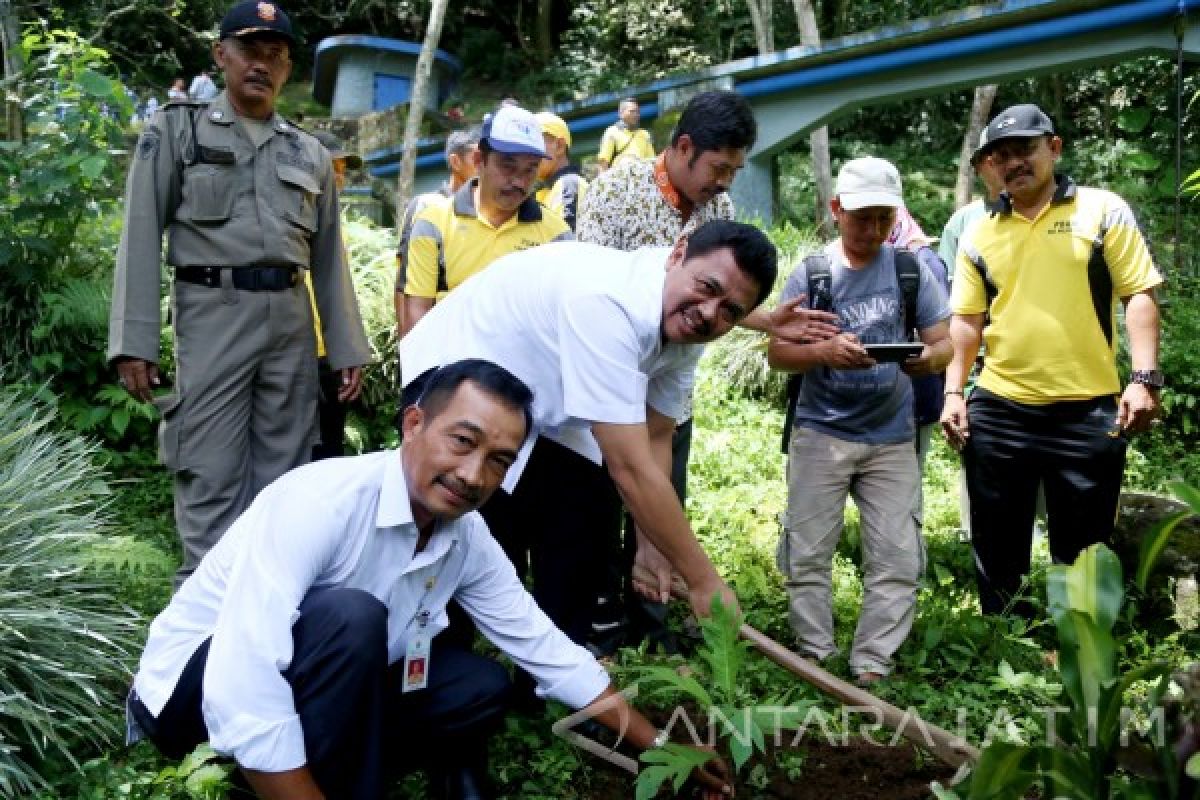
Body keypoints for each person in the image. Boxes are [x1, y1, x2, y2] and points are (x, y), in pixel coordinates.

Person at [127, 359, 733, 800]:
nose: (473, 474)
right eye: (462, 442)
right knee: (351, 617)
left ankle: (336, 767)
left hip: (318, 682)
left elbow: (545, 649)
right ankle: (303, 782)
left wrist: (663, 746)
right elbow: (245, 674)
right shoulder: (321, 503)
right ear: (413, 424)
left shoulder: (464, 537)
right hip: (194, 698)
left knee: (477, 683)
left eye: (498, 460)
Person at [399, 221, 779, 652]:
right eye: (707, 287)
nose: (710, 313)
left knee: (588, 520)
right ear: (678, 254)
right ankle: (447, 668)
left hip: (547, 395)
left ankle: (555, 677)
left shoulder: (686, 324)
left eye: (731, 310)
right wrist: (704, 581)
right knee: (478, 523)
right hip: (463, 372)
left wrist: (652, 545)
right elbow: (631, 468)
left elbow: (656, 436)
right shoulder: (607, 302)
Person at [107, 0, 371, 584]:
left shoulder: (307, 152)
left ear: (286, 69)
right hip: (212, 311)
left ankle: (272, 622)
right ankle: (198, 639)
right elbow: (140, 232)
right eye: (251, 50)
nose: (263, 64)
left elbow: (329, 258)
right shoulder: (178, 130)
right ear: (221, 55)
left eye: (276, 54)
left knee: (285, 479)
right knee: (211, 468)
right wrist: (135, 340)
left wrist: (347, 348)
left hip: (290, 322)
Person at [576, 89, 814, 653]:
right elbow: (589, 285)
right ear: (684, 148)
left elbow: (719, 301)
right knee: (603, 498)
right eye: (719, 167)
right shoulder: (616, 191)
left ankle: (654, 626)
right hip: (607, 377)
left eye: (735, 169)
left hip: (667, 384)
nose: (726, 180)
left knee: (664, 500)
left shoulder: (718, 212)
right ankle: (599, 623)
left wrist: (767, 321)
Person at [941, 104, 1164, 616]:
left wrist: (1144, 378)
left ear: (1054, 148)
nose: (1013, 163)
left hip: (1087, 409)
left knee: (1084, 547)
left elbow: (1140, 295)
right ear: (989, 167)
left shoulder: (1103, 211)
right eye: (1000, 156)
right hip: (1000, 406)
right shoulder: (978, 233)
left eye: (1024, 149)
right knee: (997, 540)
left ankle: (1081, 648)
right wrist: (955, 392)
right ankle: (1005, 643)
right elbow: (966, 321)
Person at [768, 156, 951, 684]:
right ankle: (815, 656)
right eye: (861, 218)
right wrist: (824, 351)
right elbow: (778, 351)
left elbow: (945, 343)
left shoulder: (909, 269)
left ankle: (872, 664)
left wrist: (926, 359)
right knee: (806, 549)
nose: (872, 230)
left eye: (883, 218)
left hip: (891, 437)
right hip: (820, 432)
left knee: (897, 555)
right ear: (835, 211)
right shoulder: (813, 272)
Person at [397, 105, 571, 339]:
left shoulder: (556, 235)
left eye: (530, 170)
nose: (519, 182)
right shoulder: (433, 222)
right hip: (451, 367)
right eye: (508, 166)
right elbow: (417, 310)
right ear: (480, 160)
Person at [308, 130, 364, 460]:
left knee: (328, 453)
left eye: (342, 169)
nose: (339, 178)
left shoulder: (332, 224)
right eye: (332, 168)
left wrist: (348, 349)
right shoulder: (290, 223)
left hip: (328, 356)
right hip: (292, 354)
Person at [393, 128, 480, 329]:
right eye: (476, 159)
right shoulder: (426, 205)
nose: (483, 166)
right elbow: (403, 282)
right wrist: (407, 345)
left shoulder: (493, 211)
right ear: (456, 162)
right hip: (435, 329)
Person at [534, 112, 587, 232]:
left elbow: (566, 244)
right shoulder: (552, 190)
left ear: (559, 146)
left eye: (535, 142)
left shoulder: (568, 185)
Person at [596, 97, 655, 172]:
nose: (636, 115)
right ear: (621, 113)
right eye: (632, 111)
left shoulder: (645, 134)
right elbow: (603, 162)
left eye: (637, 112)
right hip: (619, 179)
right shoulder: (612, 131)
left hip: (640, 179)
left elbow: (651, 162)